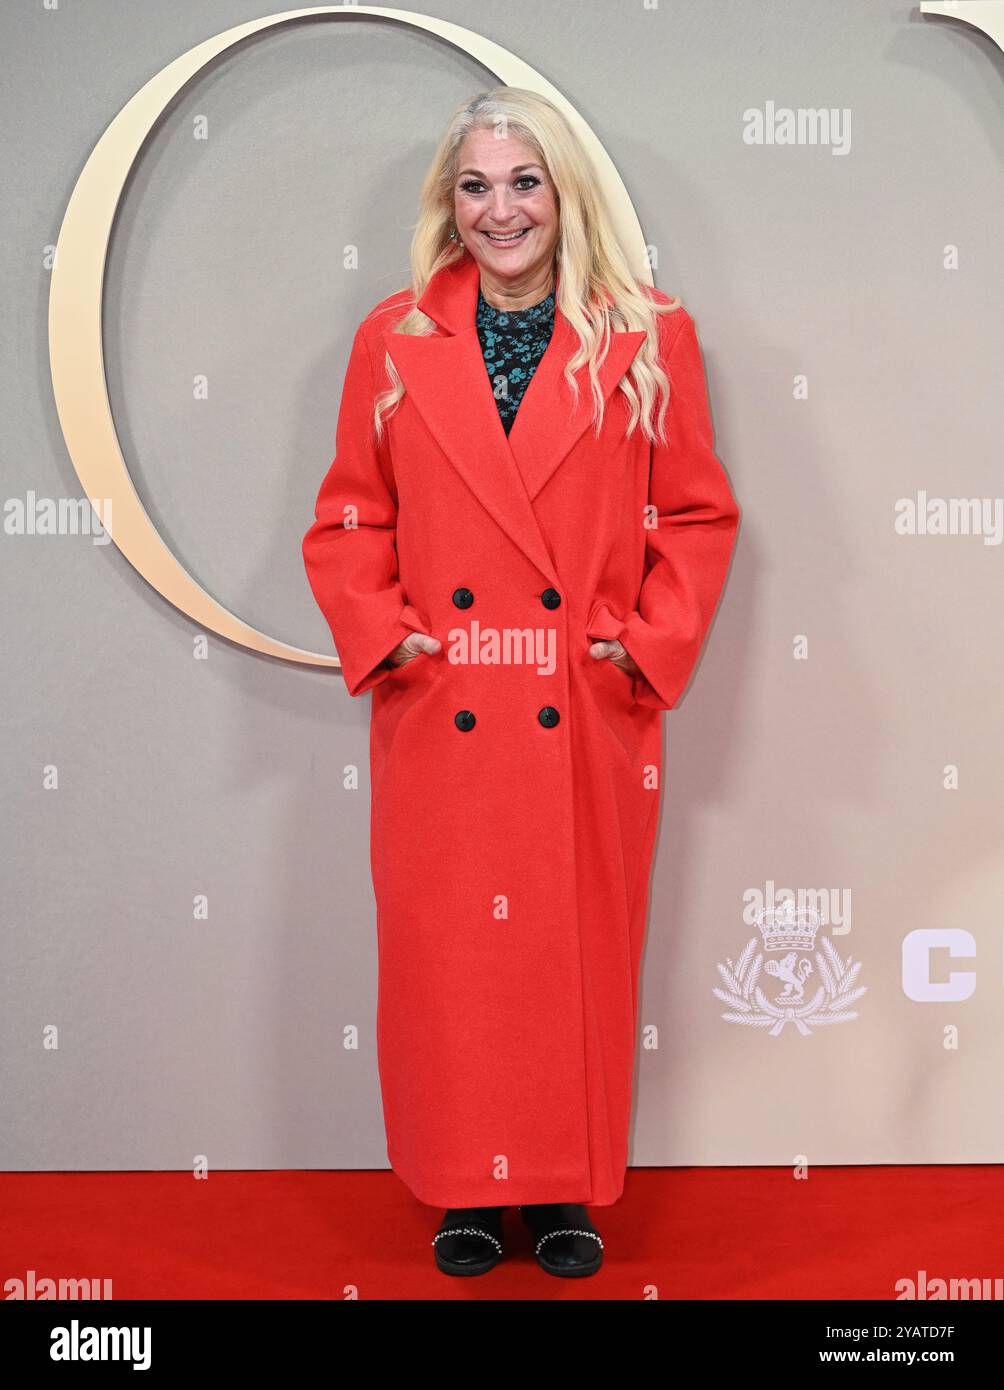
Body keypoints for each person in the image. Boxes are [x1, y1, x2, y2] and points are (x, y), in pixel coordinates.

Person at [302, 87, 740, 1278]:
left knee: (574, 955)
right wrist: (385, 633)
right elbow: (347, 518)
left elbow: (696, 515)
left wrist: (641, 650)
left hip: (575, 712)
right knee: (450, 963)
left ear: (565, 194)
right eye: (477, 185)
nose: (501, 210)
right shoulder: (392, 340)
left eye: (525, 182)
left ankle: (563, 1192)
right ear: (450, 200)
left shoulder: (647, 334)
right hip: (443, 709)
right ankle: (457, 1189)